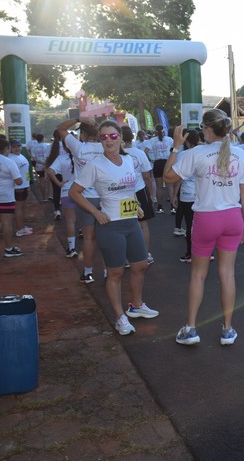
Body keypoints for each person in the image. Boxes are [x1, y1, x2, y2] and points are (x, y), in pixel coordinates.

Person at [163, 109, 244, 346]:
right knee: (227, 274)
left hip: (206, 218)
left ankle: (191, 329)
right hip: (232, 217)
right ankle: (228, 330)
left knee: (198, 275)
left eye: (202, 128)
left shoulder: (196, 153)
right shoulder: (240, 154)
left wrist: (175, 147)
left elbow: (168, 177)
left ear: (207, 129)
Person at [69, 120, 159, 336]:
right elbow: (74, 192)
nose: (108, 140)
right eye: (103, 137)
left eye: (112, 136)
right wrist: (95, 211)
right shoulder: (95, 165)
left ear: (121, 137)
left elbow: (129, 189)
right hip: (111, 226)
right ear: (99, 140)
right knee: (116, 272)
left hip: (131, 222)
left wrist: (135, 205)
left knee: (140, 266)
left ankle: (136, 305)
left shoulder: (128, 161)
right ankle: (120, 317)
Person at [56, 117, 104, 284]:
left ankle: (88, 272)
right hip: (105, 197)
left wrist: (77, 118)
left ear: (82, 133)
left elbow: (60, 128)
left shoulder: (78, 147)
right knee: (105, 237)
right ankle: (107, 271)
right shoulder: (106, 146)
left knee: (89, 238)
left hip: (84, 198)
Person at [121, 126, 156, 265]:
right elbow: (147, 176)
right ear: (132, 137)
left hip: (125, 192)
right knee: (143, 225)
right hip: (139, 191)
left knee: (127, 225)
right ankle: (145, 255)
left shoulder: (117, 154)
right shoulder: (139, 153)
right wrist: (151, 195)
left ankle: (126, 259)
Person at [47, 135, 79, 258]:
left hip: (67, 191)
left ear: (64, 147)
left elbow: (50, 171)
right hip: (83, 192)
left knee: (70, 220)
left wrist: (59, 183)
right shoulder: (81, 157)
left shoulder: (61, 158)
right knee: (85, 220)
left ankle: (72, 248)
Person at [174, 129, 201, 262]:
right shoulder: (205, 153)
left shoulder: (182, 154)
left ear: (187, 141)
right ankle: (208, 252)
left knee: (190, 225)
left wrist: (174, 195)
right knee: (203, 225)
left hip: (187, 194)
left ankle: (190, 253)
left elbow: (177, 177)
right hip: (203, 194)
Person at [146, 124, 174, 214]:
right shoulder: (169, 139)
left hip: (157, 163)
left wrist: (150, 159)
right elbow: (174, 150)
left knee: (159, 187)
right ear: (163, 130)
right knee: (170, 186)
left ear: (155, 131)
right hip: (167, 163)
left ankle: (160, 207)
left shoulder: (152, 140)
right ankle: (173, 207)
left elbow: (145, 151)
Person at [8, 140, 33, 237]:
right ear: (9, 148)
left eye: (19, 146)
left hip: (24, 186)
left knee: (22, 207)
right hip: (17, 187)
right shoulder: (10, 159)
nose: (17, 148)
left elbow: (25, 171)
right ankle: (19, 229)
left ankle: (22, 226)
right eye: (14, 147)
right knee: (18, 208)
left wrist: (28, 184)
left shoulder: (20, 156)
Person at [30, 134, 50, 201]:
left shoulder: (33, 147)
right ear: (43, 138)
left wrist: (42, 163)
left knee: (42, 182)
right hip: (48, 166)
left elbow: (34, 158)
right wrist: (45, 164)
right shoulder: (47, 146)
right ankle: (50, 195)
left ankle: (44, 197)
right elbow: (50, 156)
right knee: (49, 181)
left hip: (38, 166)